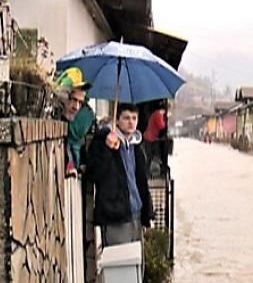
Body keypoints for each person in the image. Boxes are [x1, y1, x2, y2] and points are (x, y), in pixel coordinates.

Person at [86, 103, 154, 247]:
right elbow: (94, 173)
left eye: (134, 118)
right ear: (117, 120)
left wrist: (148, 215)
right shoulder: (102, 140)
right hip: (115, 217)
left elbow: (142, 183)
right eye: (126, 118)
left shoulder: (137, 147)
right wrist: (107, 149)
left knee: (135, 265)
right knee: (118, 264)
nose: (131, 122)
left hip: (136, 214)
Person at [54, 67, 94, 177]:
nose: (76, 107)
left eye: (80, 102)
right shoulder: (51, 120)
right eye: (73, 99)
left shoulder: (85, 118)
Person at [143, 101, 168, 175]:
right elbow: (161, 125)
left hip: (151, 137)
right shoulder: (158, 114)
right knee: (149, 156)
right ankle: (146, 173)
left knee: (151, 155)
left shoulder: (156, 114)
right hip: (150, 137)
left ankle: (149, 172)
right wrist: (165, 120)